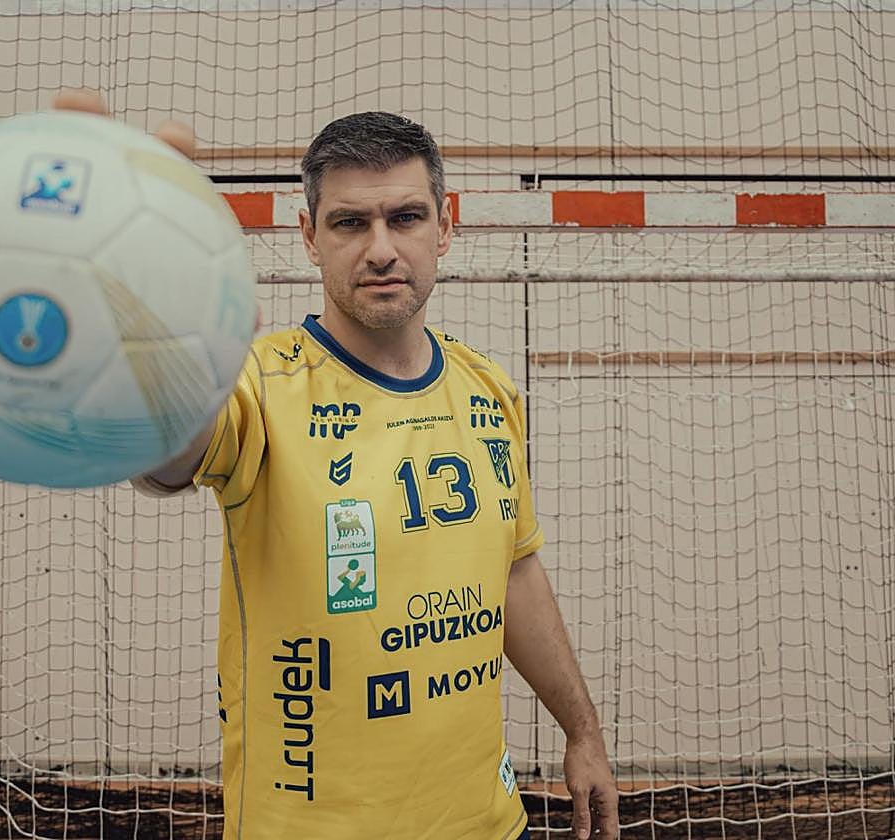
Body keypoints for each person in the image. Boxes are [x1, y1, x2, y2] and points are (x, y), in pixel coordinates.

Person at [60, 90, 619, 839]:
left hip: (487, 822)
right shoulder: (258, 382)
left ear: (446, 229)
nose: (381, 248)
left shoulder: (490, 389)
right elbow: (170, 456)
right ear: (309, 236)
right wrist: (157, 373)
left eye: (406, 218)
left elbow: (514, 571)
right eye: (350, 223)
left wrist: (580, 730)